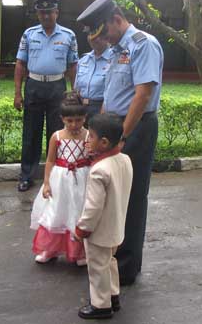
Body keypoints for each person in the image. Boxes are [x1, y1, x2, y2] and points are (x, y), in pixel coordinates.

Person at [76, 0, 163, 286]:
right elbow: (112, 93)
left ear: (116, 19)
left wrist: (122, 135)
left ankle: (126, 266)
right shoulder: (116, 49)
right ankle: (110, 259)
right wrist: (99, 129)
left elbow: (143, 95)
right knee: (112, 195)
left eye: (106, 33)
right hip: (115, 127)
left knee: (132, 195)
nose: (105, 40)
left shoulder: (143, 45)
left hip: (135, 127)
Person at [14, 0, 79, 192]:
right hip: (33, 86)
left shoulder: (68, 36)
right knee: (31, 133)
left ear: (56, 13)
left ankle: (56, 177)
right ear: (37, 14)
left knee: (57, 133)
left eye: (49, 12)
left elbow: (73, 65)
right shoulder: (29, 34)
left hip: (57, 87)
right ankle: (27, 176)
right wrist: (17, 93)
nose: (46, 16)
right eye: (42, 13)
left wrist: (74, 92)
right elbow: (20, 64)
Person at [74, 113, 133, 320]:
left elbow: (93, 208)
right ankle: (113, 295)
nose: (87, 140)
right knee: (110, 262)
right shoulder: (125, 160)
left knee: (98, 267)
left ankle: (101, 305)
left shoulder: (99, 170)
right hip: (116, 227)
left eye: (91, 136)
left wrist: (82, 229)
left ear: (104, 142)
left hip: (99, 231)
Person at [30, 92, 90, 265]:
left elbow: (92, 157)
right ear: (62, 118)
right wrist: (46, 183)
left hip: (82, 179)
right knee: (56, 211)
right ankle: (50, 248)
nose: (74, 124)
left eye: (78, 120)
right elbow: (50, 160)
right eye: (69, 120)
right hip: (60, 180)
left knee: (78, 212)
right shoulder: (56, 137)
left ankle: (80, 252)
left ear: (85, 118)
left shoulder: (88, 136)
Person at [74, 33, 113, 121]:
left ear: (107, 38)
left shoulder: (114, 60)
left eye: (98, 36)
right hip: (81, 108)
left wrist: (103, 115)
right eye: (91, 35)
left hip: (102, 108)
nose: (94, 39)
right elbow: (76, 88)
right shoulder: (83, 60)